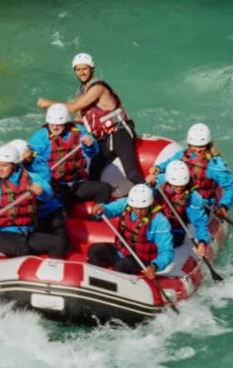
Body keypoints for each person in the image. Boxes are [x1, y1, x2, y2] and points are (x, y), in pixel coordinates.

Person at [37, 52, 144, 185]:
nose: (81, 73)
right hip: (103, 139)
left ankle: (153, 199)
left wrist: (48, 103)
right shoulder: (81, 91)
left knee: (131, 173)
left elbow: (74, 107)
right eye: (78, 69)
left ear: (92, 69)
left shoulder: (98, 87)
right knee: (92, 177)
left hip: (119, 132)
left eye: (85, 68)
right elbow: (80, 119)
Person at [0, 144, 66, 258]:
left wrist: (42, 192)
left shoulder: (31, 178)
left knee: (59, 243)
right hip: (1, 233)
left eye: (4, 165)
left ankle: (48, 271)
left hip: (28, 231)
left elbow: (48, 195)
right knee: (22, 248)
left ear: (14, 165)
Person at [146, 123, 233, 221]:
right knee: (155, 182)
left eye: (201, 147)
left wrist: (224, 206)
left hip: (201, 203)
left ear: (207, 145)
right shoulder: (184, 153)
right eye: (194, 147)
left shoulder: (215, 165)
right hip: (180, 195)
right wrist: (158, 168)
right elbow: (170, 163)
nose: (197, 150)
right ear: (189, 144)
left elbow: (230, 186)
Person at [28, 103, 112, 208]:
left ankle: (98, 216)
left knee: (104, 188)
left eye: (59, 124)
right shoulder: (39, 138)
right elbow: (31, 167)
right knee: (60, 207)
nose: (55, 127)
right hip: (57, 186)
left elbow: (93, 153)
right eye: (52, 124)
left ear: (66, 122)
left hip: (78, 184)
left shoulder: (79, 131)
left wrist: (91, 145)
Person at [88, 184, 173, 279]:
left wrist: (155, 266)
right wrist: (102, 208)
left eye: (143, 208)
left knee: (122, 265)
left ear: (150, 204)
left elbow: (166, 251)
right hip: (121, 250)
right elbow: (109, 209)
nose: (138, 212)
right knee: (95, 250)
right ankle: (94, 278)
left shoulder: (160, 221)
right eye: (135, 208)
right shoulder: (125, 204)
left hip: (141, 259)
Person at [8, 137, 67, 250]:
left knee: (60, 241)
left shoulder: (38, 164)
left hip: (49, 211)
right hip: (31, 215)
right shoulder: (10, 174)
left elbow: (46, 188)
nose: (31, 152)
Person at [152, 161, 209, 255]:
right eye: (176, 186)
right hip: (155, 225)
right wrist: (149, 185)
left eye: (182, 186)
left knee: (166, 243)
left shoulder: (193, 197)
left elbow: (200, 221)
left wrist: (202, 242)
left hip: (176, 229)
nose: (179, 188)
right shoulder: (158, 182)